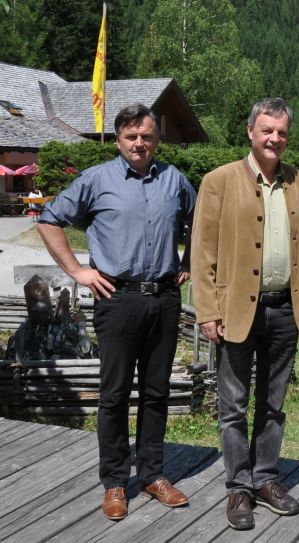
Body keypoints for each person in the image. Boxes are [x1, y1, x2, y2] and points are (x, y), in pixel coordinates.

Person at [37, 103, 196, 521]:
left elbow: (201, 222)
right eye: (131, 136)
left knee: (157, 392)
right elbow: (49, 220)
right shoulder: (96, 180)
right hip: (117, 298)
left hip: (164, 298)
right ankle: (114, 482)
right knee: (115, 394)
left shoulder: (175, 180)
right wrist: (78, 271)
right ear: (119, 140)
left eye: (146, 136)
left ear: (156, 138)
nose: (139, 143)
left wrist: (190, 261)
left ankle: (153, 474)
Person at [190, 97, 299, 531]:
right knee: (233, 405)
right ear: (250, 131)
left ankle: (265, 479)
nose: (274, 138)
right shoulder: (219, 180)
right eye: (267, 130)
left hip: (284, 309)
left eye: (281, 132)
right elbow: (202, 252)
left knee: (274, 403)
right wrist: (207, 310)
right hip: (234, 311)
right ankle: (238, 487)